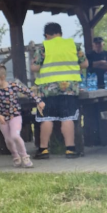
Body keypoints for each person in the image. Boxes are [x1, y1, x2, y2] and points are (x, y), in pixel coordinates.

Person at [30, 22, 88, 160]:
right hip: (69, 88)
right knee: (68, 118)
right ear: (60, 33)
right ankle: (70, 149)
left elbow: (35, 68)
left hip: (47, 89)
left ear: (46, 35)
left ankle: (43, 150)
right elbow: (85, 64)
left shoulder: (43, 47)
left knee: (47, 118)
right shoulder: (74, 45)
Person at [0, 64, 45, 168]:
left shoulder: (13, 86)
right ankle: (15, 156)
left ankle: (25, 156)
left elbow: (28, 92)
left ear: (3, 77)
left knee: (15, 136)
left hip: (15, 116)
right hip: (2, 119)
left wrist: (38, 101)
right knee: (8, 139)